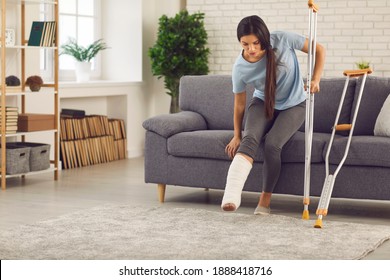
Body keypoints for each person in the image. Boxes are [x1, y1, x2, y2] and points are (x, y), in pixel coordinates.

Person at [221, 15, 326, 215]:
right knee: (250, 138)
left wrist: (316, 78)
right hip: (263, 102)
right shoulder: (240, 67)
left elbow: (319, 50)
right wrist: (237, 134)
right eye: (245, 44)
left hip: (295, 104)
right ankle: (232, 195)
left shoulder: (283, 39)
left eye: (255, 43)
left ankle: (264, 202)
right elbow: (239, 105)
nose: (251, 49)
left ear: (263, 37)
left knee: (272, 144)